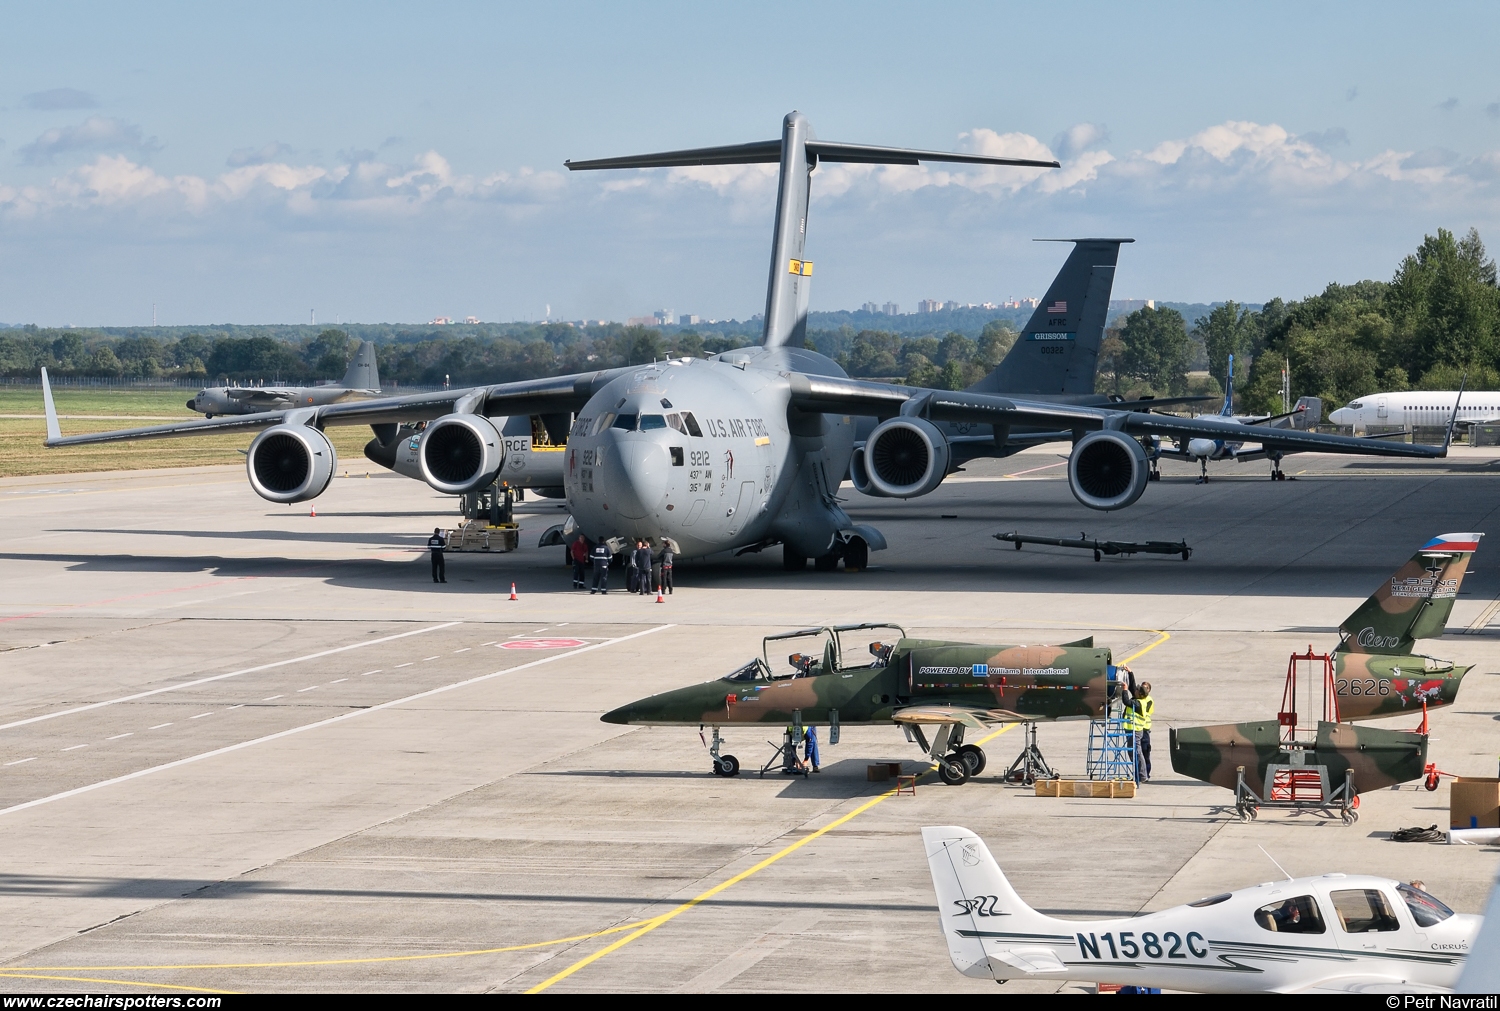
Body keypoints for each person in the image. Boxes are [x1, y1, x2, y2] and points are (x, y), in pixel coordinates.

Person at [1131, 681, 1154, 782]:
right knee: (1137, 752)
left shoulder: (1147, 700)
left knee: (1145, 752)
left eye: (1145, 688)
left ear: (1148, 690)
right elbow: (1132, 687)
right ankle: (1139, 774)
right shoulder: (1139, 699)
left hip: (1144, 729)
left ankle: (1146, 774)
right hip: (1139, 728)